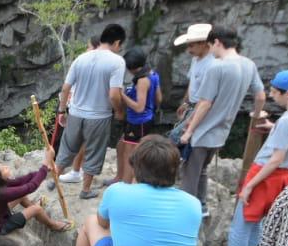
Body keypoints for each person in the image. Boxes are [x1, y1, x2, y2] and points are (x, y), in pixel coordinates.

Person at [75, 136, 201, 246]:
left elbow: (102, 223)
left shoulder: (117, 192)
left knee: (90, 222)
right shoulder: (193, 203)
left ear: (135, 167)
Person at [218, 69, 288, 246]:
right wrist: (274, 128)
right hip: (282, 177)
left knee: (240, 227)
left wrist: (250, 186)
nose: (271, 95)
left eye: (274, 91)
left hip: (265, 175)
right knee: (259, 225)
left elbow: (275, 159)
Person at [178, 26, 265, 204]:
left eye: (211, 46)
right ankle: (202, 205)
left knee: (189, 174)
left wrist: (188, 131)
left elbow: (204, 104)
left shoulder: (217, 67)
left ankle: (187, 213)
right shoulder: (249, 64)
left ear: (217, 42)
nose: (211, 51)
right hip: (222, 132)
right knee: (202, 170)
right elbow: (261, 96)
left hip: (203, 131)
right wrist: (256, 116)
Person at [54, 23, 126, 200]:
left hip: (76, 113)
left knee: (67, 149)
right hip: (99, 116)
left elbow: (65, 88)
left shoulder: (81, 58)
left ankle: (52, 182)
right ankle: (85, 190)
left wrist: (61, 111)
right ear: (117, 42)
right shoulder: (117, 61)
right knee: (94, 152)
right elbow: (114, 95)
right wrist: (119, 111)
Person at [0, 152, 69, 235]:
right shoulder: (1, 193)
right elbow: (30, 187)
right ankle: (53, 225)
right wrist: (45, 162)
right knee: (36, 209)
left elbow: (23, 180)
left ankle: (34, 210)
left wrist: (45, 171)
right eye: (4, 169)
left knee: (22, 196)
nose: (6, 166)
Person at [117, 48, 161, 185]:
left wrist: (122, 95)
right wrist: (152, 109)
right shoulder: (153, 74)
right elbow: (159, 98)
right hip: (146, 120)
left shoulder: (142, 80)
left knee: (131, 154)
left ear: (132, 68)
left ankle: (127, 185)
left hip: (138, 121)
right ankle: (124, 179)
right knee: (123, 146)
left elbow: (139, 107)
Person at [169, 23, 214, 150]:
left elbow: (207, 97)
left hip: (201, 108)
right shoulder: (196, 59)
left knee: (175, 138)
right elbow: (192, 82)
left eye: (191, 45)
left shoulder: (212, 64)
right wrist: (186, 102)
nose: (188, 50)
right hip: (192, 105)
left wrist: (192, 118)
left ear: (204, 43)